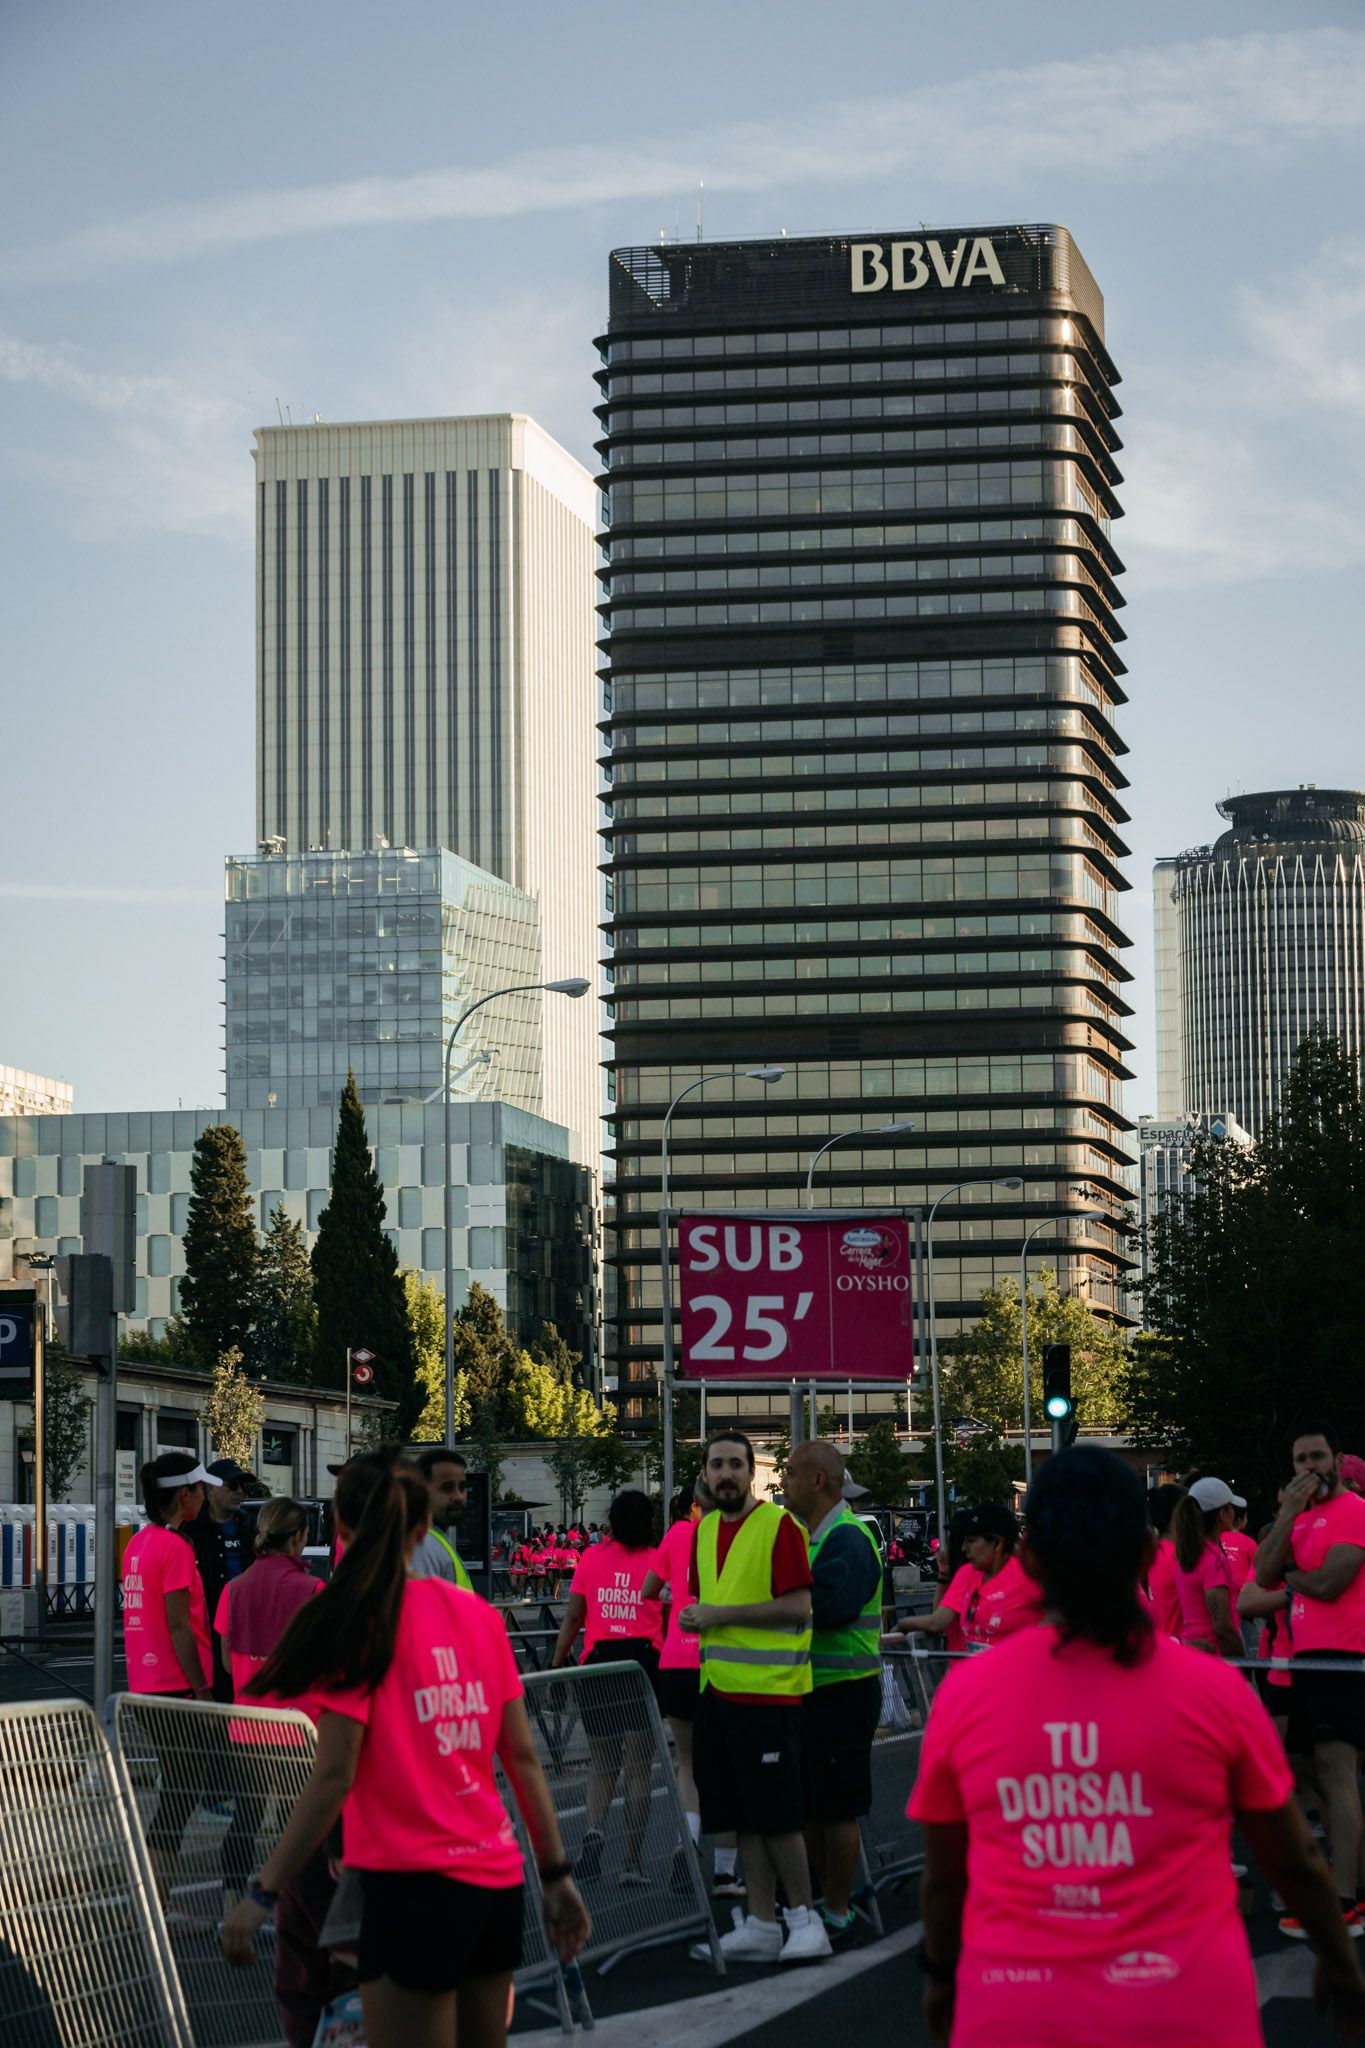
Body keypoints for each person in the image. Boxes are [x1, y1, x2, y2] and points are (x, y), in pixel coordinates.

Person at [909, 1445, 1365, 2048]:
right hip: (1188, 2015)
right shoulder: (1213, 1692)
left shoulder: (966, 1696)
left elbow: (945, 1881)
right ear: (1151, 1554)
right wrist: (1339, 1961)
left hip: (1018, 2014)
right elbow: (1294, 1860)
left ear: (1030, 1561)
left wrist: (942, 1979)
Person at [220, 1449, 589, 2048]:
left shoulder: (355, 1627)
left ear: (339, 1529)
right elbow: (520, 1758)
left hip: (409, 1886)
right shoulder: (479, 1618)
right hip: (495, 1880)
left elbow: (334, 1775)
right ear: (423, 1529)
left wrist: (263, 1891)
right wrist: (556, 1876)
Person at [678, 1430, 831, 1964]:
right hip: (718, 1695)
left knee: (779, 1815)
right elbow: (710, 1604)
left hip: (770, 1697)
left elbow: (798, 1608)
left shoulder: (779, 1526)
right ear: (705, 1471)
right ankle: (763, 1924)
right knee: (743, 1814)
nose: (725, 1474)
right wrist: (701, 1617)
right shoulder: (703, 1531)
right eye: (716, 1464)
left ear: (752, 1473)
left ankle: (804, 1919)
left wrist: (718, 1617)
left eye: (735, 1465)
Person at [1256, 1422, 1365, 1939]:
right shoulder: (1299, 1518)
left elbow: (1327, 1583)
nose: (1309, 1468)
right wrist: (1285, 1516)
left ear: (1336, 1460)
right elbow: (1261, 1576)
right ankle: (1352, 1880)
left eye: (1318, 1457)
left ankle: (1345, 1900)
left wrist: (1291, 1574)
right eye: (1300, 1460)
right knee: (1305, 1766)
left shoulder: (1355, 1512)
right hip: (1304, 1659)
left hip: (1344, 1658)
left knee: (1337, 1770)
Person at [782, 1441, 884, 1948]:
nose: (783, 1482)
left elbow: (829, 1608)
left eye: (791, 1472)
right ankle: (824, 1904)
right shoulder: (815, 1538)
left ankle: (838, 1911)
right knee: (814, 1808)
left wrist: (773, 1606)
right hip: (816, 1690)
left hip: (843, 1691)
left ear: (818, 1481)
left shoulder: (849, 1539)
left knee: (836, 1808)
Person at [550, 1488, 663, 1885]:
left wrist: (556, 1665)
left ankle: (593, 1829)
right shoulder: (657, 1561)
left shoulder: (591, 1558)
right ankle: (631, 1861)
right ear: (649, 1524)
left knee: (602, 1766)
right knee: (638, 1769)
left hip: (597, 1665)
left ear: (612, 1523)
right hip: (642, 1667)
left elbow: (573, 1618)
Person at [641, 1478, 743, 1898]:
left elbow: (648, 1591)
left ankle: (685, 1848)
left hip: (674, 1663)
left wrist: (672, 1593)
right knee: (726, 1766)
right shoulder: (726, 1534)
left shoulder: (674, 1536)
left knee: (687, 1764)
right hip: (714, 1661)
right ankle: (724, 1870)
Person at [121, 1452, 215, 1903]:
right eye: (201, 1488)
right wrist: (203, 1688)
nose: (206, 1494)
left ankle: (158, 1898)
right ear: (184, 1495)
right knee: (181, 1793)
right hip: (177, 1689)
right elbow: (181, 1626)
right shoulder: (176, 1548)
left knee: (179, 1791)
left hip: (146, 1684)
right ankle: (157, 1902)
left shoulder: (139, 1543)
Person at [190, 1457, 254, 1703]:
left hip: (243, 1627)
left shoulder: (247, 1524)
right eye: (232, 1485)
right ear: (210, 1488)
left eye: (242, 1486)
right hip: (208, 1633)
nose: (240, 1492)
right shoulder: (193, 1529)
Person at [884, 1512, 976, 1656]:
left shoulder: (969, 1573)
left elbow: (937, 1622)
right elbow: (939, 1611)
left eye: (971, 1540)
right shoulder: (965, 1574)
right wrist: (943, 1575)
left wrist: (903, 1624)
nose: (964, 1547)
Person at [1172, 1478, 1244, 1657]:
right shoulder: (1214, 1561)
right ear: (1223, 1514)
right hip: (1216, 1657)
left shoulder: (1187, 1553)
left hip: (1194, 1654)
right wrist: (1243, 1667)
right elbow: (1223, 1628)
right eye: (1230, 1507)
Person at [410, 1447, 474, 1590]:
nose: (458, 1496)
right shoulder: (422, 1545)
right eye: (447, 1488)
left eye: (462, 1487)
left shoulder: (433, 1540)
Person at [1145, 1482, 1185, 1637]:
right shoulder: (1180, 1557)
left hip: (1159, 1645)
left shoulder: (1151, 1553)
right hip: (1182, 1650)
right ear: (1178, 1514)